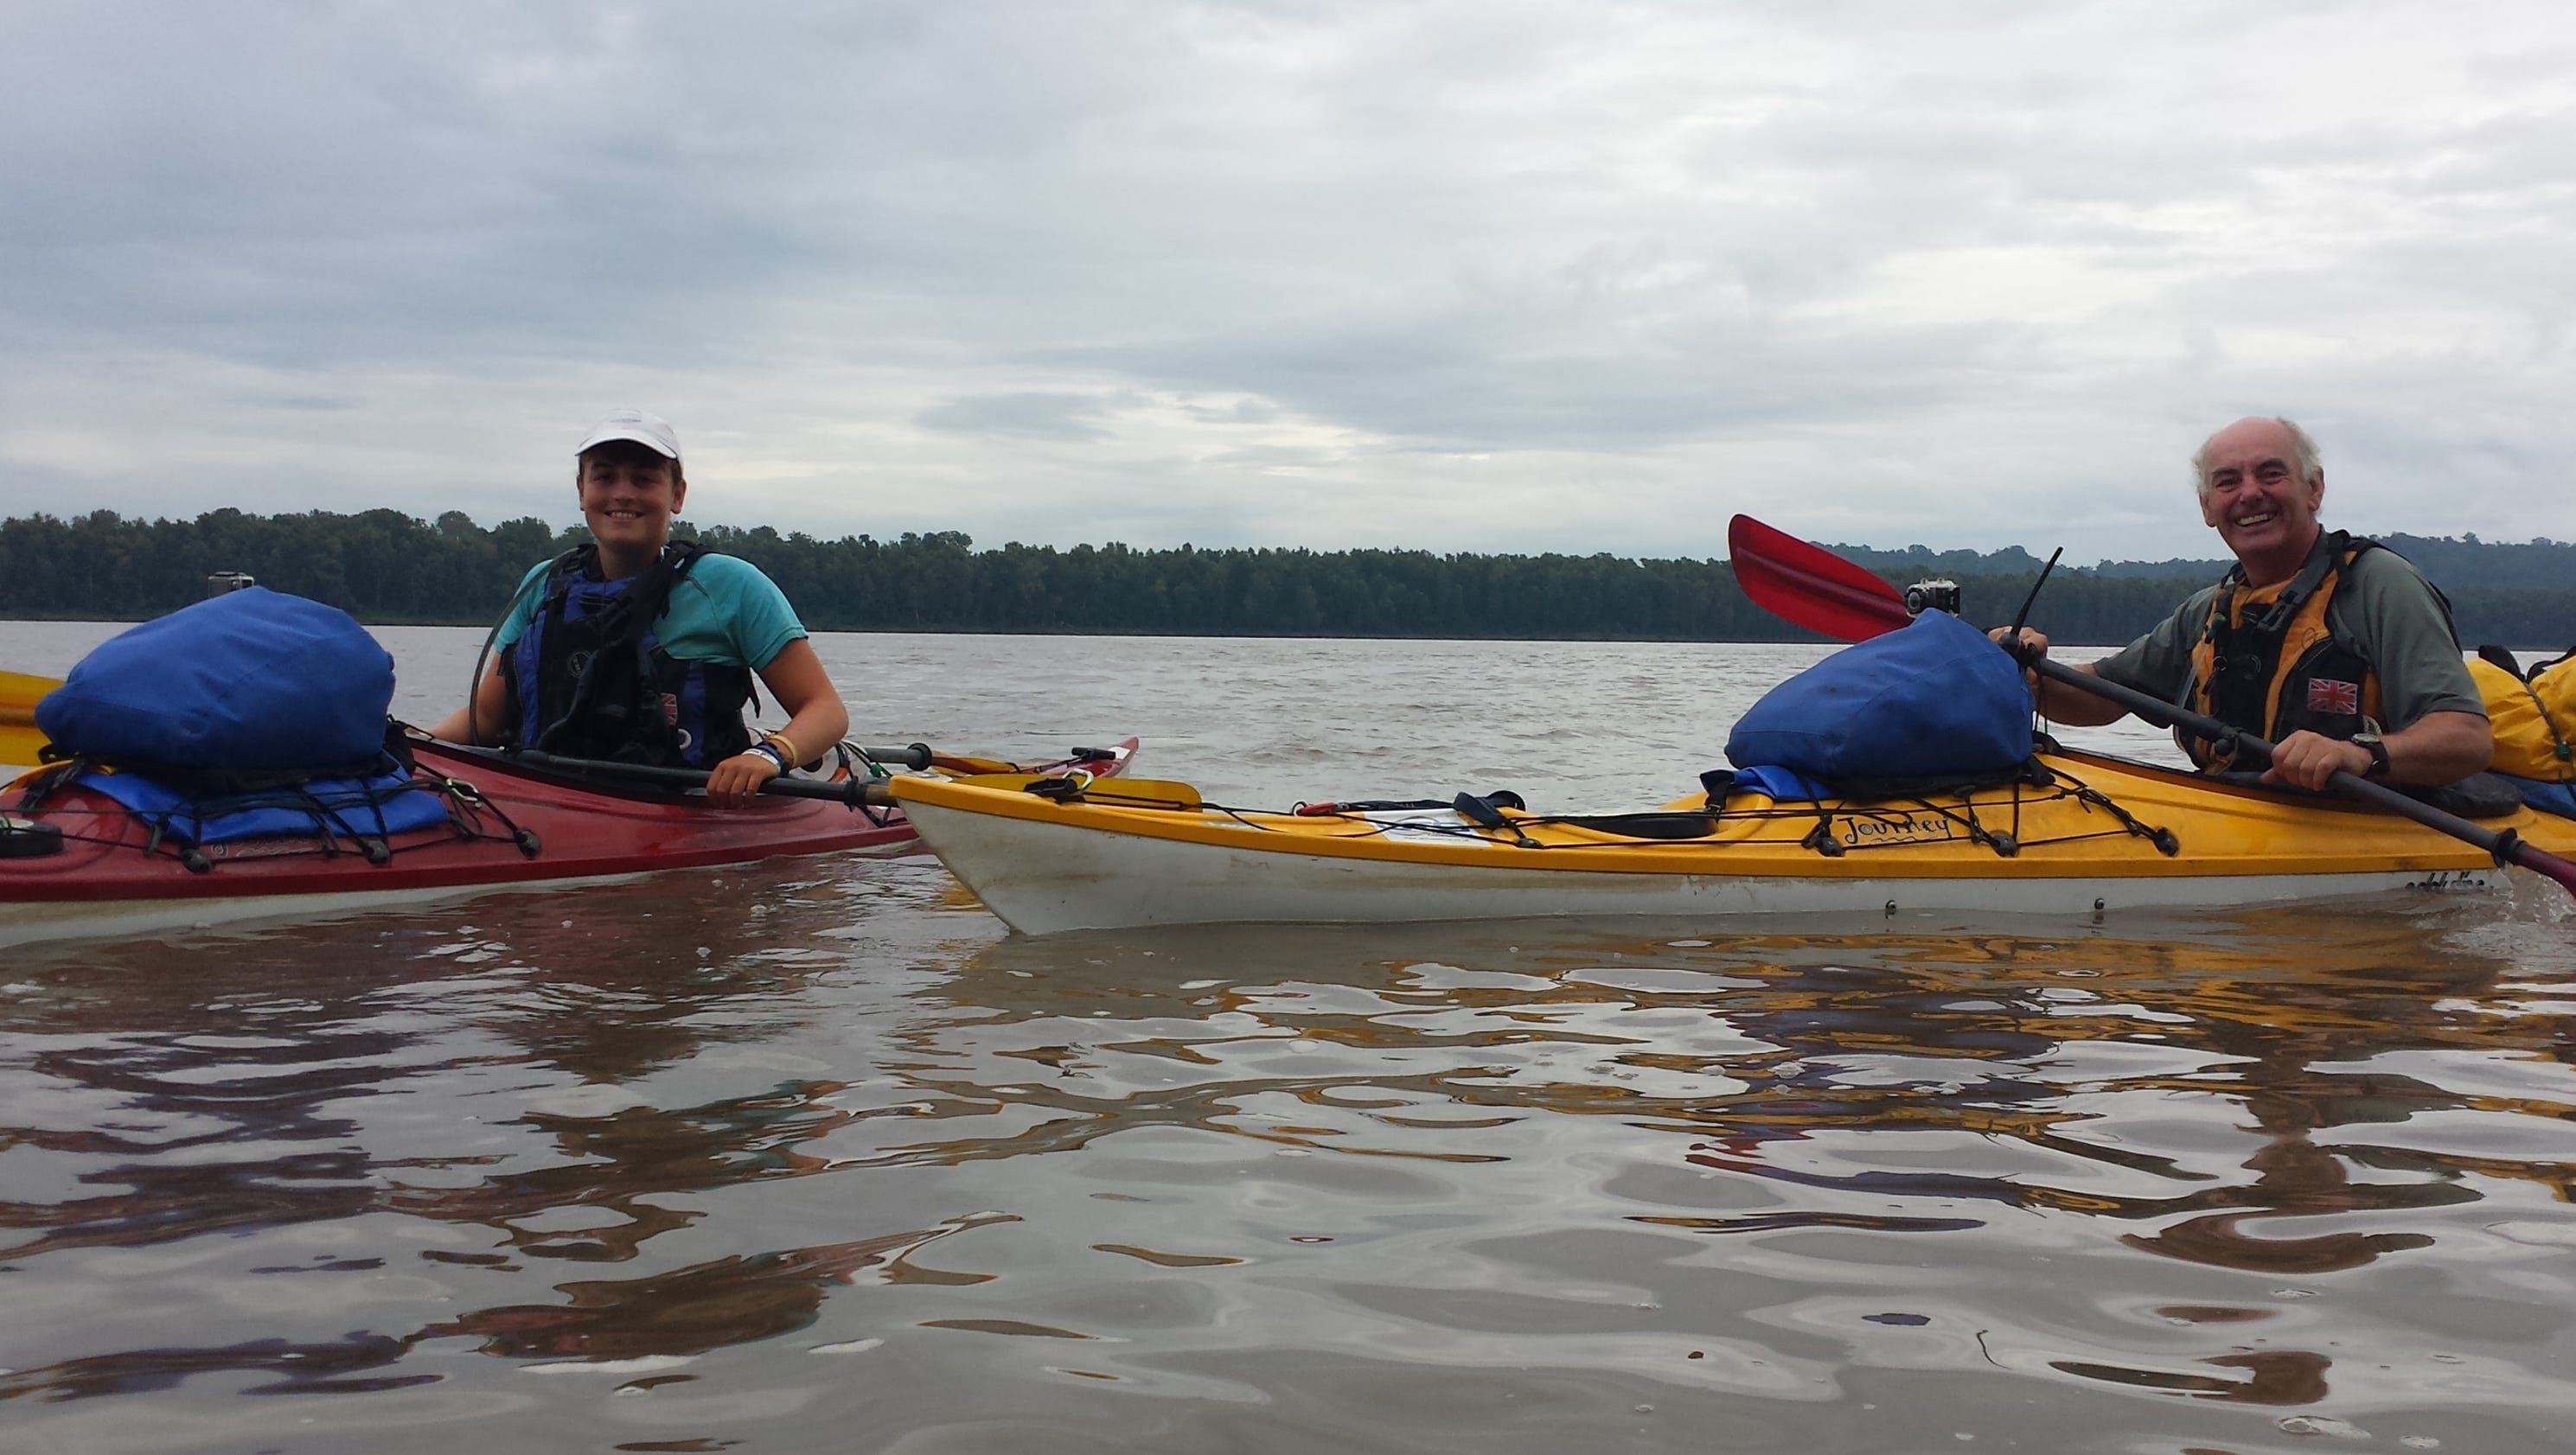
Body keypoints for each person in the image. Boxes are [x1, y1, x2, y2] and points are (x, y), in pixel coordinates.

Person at [2000, 417, 2490, 793]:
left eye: (2271, 474)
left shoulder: (2381, 587)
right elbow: (2106, 695)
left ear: (2314, 489)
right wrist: (2029, 673)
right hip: (2238, 815)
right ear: (2207, 507)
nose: (2249, 493)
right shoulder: (2210, 611)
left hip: (2365, 825)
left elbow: (2468, 739)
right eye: (2228, 481)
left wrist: (2359, 753)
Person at [431, 410, 849, 808]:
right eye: (605, 476)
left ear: (677, 495)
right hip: (543, 799)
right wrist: (408, 744)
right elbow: (484, 718)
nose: (623, 493)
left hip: (690, 804)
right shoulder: (543, 583)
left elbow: (825, 711)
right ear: (581, 491)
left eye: (644, 479)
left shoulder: (731, 586)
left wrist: (770, 756)